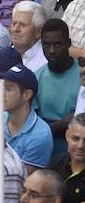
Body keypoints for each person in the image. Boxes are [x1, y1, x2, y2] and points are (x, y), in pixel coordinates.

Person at [35, 19, 81, 155]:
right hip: (42, 149)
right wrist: (61, 124)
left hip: (76, 149)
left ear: (68, 43)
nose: (51, 51)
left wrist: (47, 129)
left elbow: (78, 120)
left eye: (58, 44)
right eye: (46, 45)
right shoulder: (37, 77)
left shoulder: (82, 76)